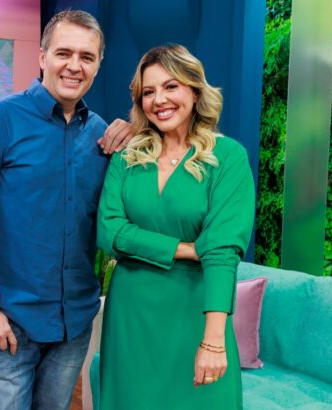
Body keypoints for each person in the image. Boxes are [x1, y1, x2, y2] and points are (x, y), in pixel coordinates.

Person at [0, 10, 132, 410]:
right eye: (64, 52)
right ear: (43, 56)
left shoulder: (103, 136)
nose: (74, 65)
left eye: (87, 56)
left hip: (74, 323)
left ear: (99, 65)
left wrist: (140, 135)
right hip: (8, 322)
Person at [97, 44, 255, 409]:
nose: (159, 100)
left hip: (194, 312)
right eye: (148, 92)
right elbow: (109, 232)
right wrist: (184, 249)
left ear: (194, 91)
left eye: (171, 87)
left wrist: (213, 341)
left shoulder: (228, 157)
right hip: (130, 317)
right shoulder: (128, 156)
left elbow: (221, 252)